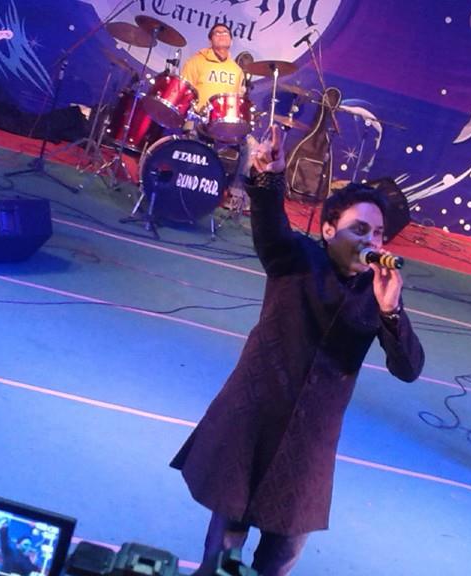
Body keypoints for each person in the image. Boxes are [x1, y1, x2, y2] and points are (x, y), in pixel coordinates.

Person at [170, 127, 425, 575]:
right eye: (359, 229)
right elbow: (270, 228)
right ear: (328, 230)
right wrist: (269, 178)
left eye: (378, 233)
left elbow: (408, 368)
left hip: (308, 447)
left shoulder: (378, 293)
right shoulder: (297, 259)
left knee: (281, 557)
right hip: (253, 423)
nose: (372, 242)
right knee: (221, 553)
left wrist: (391, 311)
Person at [180, 22, 251, 212]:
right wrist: (195, 112)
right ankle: (185, 184)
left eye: (225, 32)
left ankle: (234, 194)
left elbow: (237, 100)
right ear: (210, 39)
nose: (221, 34)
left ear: (231, 41)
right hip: (199, 120)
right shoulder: (196, 61)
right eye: (216, 32)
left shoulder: (236, 70)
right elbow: (184, 92)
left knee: (250, 146)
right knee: (191, 135)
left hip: (224, 126)